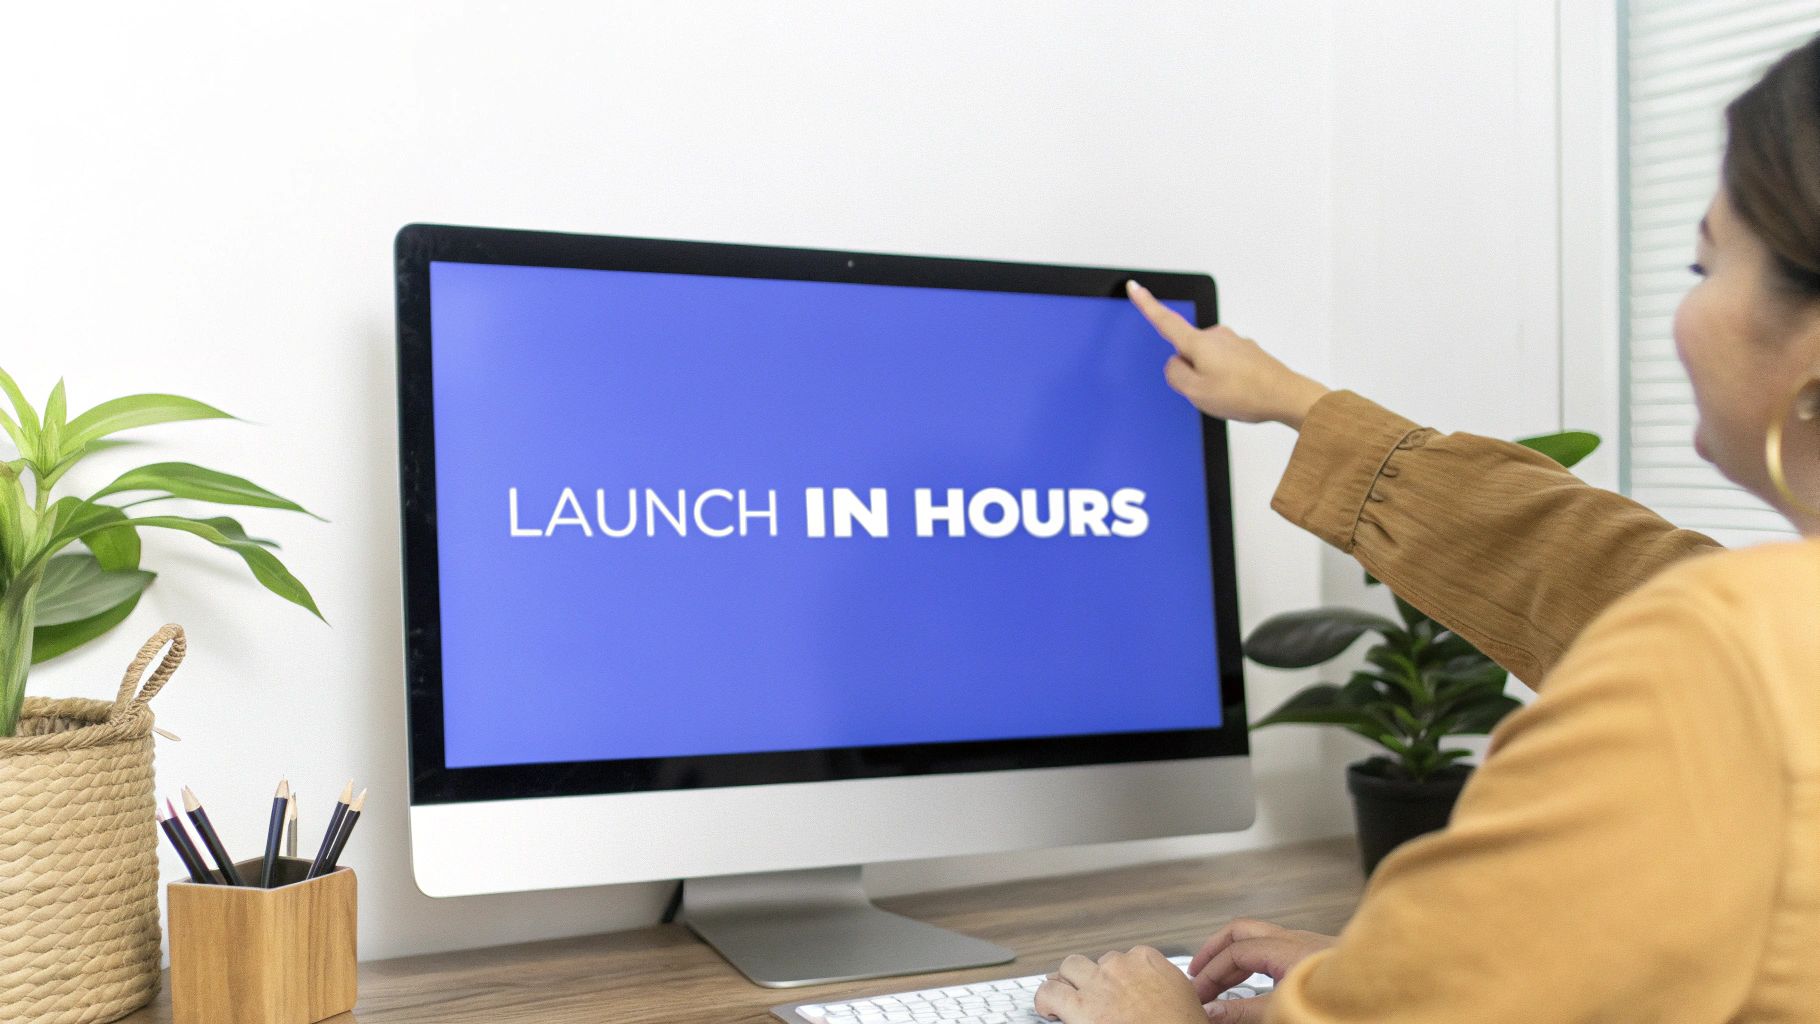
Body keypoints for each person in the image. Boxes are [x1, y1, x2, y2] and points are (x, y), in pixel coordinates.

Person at [1032, 33, 1820, 1024]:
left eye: (1702, 264)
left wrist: (1154, 1019)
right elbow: (1596, 564)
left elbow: (1652, 606)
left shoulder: (1716, 659)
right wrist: (1402, 974)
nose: (1684, 310)